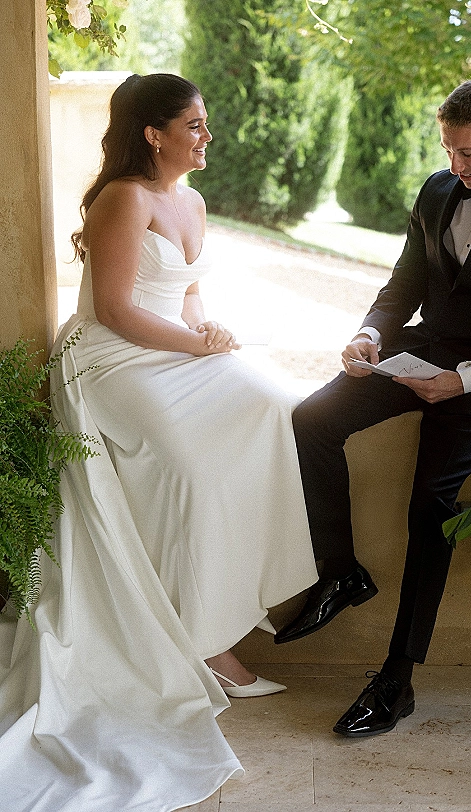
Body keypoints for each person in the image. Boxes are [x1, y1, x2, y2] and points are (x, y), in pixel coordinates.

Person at [0, 73, 317, 809]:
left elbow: (190, 291)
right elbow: (113, 309)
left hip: (173, 346)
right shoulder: (123, 199)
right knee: (186, 467)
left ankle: (230, 607)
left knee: (272, 405)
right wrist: (195, 347)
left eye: (206, 124)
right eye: (196, 125)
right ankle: (203, 643)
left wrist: (208, 330)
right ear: (154, 133)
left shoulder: (194, 200)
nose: (207, 136)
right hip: (110, 360)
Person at [274, 79, 471, 737]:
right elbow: (405, 282)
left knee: (429, 508)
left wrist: (464, 380)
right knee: (312, 418)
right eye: (447, 148)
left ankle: (396, 680)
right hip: (420, 354)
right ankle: (342, 573)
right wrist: (371, 333)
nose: (455, 166)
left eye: (467, 152)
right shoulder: (438, 190)